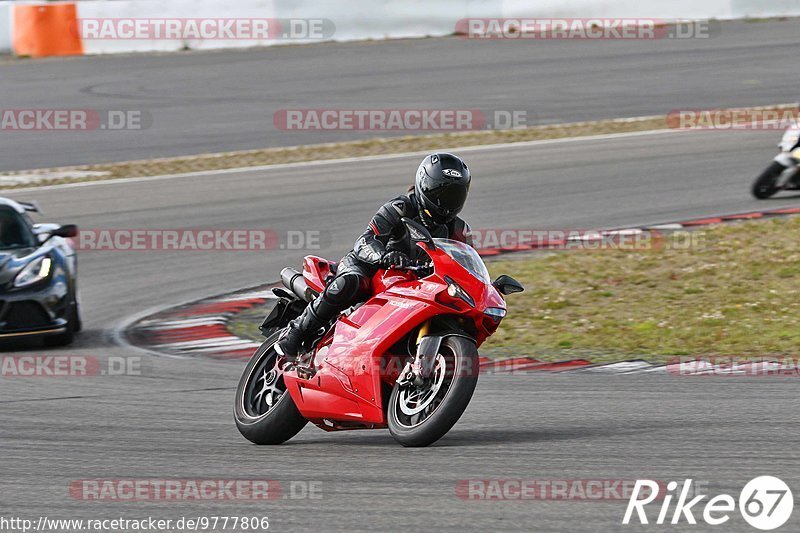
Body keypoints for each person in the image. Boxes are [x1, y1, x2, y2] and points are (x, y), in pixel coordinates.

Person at [275, 152, 473, 358]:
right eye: (442, 193)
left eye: (455, 195)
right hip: (372, 269)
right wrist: (383, 256)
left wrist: (487, 285)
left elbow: (465, 265)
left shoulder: (459, 229)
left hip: (416, 285)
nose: (448, 202)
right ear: (425, 185)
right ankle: (296, 331)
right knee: (351, 282)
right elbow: (364, 241)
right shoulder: (401, 208)